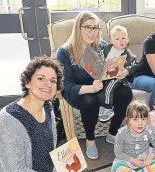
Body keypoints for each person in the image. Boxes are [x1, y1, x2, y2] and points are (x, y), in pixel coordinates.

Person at [56, 11, 133, 159]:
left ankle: (112, 132)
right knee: (89, 99)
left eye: (96, 28)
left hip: (103, 87)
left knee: (126, 92)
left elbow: (118, 65)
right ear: (78, 28)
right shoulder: (64, 52)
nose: (92, 32)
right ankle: (90, 140)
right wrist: (90, 88)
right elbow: (65, 86)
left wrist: (123, 71)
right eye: (88, 27)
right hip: (81, 91)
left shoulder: (103, 46)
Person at [111, 100, 155, 172]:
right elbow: (118, 153)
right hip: (127, 160)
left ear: (147, 119)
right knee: (117, 167)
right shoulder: (121, 133)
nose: (140, 123)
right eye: (135, 119)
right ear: (128, 120)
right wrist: (133, 160)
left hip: (144, 159)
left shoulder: (149, 130)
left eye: (143, 119)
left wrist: (150, 157)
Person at [98, 25, 137, 122]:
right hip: (105, 75)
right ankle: (102, 105)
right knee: (100, 86)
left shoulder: (128, 55)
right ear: (111, 41)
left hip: (119, 78)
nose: (121, 41)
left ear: (127, 40)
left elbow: (133, 66)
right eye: (117, 39)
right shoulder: (107, 49)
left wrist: (126, 71)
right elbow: (101, 58)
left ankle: (107, 108)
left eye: (124, 38)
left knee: (110, 86)